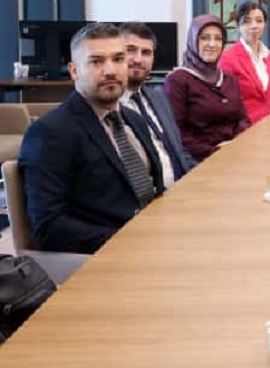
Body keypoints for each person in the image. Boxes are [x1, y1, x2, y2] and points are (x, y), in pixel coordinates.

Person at [18, 23, 165, 254]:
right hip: (107, 256)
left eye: (118, 59)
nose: (110, 71)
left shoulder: (134, 121)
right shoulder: (50, 133)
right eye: (96, 62)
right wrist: (127, 240)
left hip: (154, 240)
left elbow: (154, 191)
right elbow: (48, 226)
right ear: (74, 71)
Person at [164, 15, 250, 163]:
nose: (212, 44)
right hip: (197, 161)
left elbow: (243, 119)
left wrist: (235, 144)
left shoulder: (229, 79)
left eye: (218, 39)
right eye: (205, 38)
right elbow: (175, 132)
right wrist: (215, 151)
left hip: (234, 156)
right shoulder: (178, 81)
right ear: (193, 41)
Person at [120, 21, 195, 186]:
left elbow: (179, 150)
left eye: (146, 52)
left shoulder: (159, 98)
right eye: (130, 50)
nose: (138, 59)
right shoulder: (109, 109)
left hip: (183, 188)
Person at [217, 0, 270, 125]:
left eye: (259, 21)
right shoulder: (227, 59)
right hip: (244, 128)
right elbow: (225, 104)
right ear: (238, 27)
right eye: (247, 21)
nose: (254, 26)